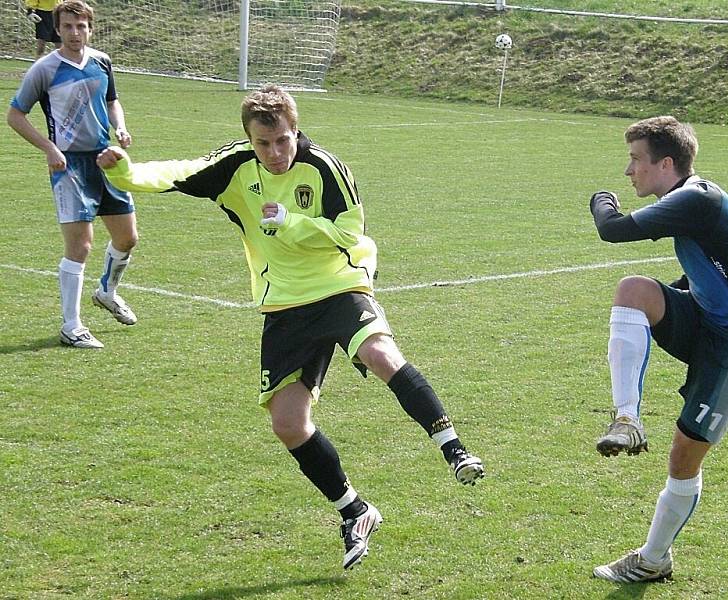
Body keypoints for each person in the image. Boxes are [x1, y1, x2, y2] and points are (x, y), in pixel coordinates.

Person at [96, 84, 485, 570]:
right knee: (288, 424)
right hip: (283, 302)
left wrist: (293, 221)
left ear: (294, 129)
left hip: (340, 282)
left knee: (379, 354)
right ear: (250, 140)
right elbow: (177, 173)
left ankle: (454, 449)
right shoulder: (236, 166)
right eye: (264, 144)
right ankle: (355, 511)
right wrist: (125, 171)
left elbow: (350, 232)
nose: (275, 152)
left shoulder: (324, 166)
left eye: (283, 140)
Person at [588, 116, 728, 582]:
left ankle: (653, 559)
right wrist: (667, 304)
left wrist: (600, 201)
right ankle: (626, 420)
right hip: (706, 319)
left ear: (665, 163)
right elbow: (715, 268)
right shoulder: (692, 201)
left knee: (683, 456)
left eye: (635, 159)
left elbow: (612, 229)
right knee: (634, 290)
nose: (629, 171)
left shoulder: (695, 198)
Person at [8, 0, 140, 349]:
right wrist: (49, 148)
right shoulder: (45, 69)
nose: (75, 32)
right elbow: (16, 115)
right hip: (68, 165)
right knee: (80, 246)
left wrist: (121, 127)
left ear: (90, 28)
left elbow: (112, 101)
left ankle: (107, 292)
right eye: (68, 26)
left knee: (127, 239)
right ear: (58, 30)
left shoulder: (101, 61)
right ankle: (71, 325)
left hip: (106, 160)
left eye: (81, 26)